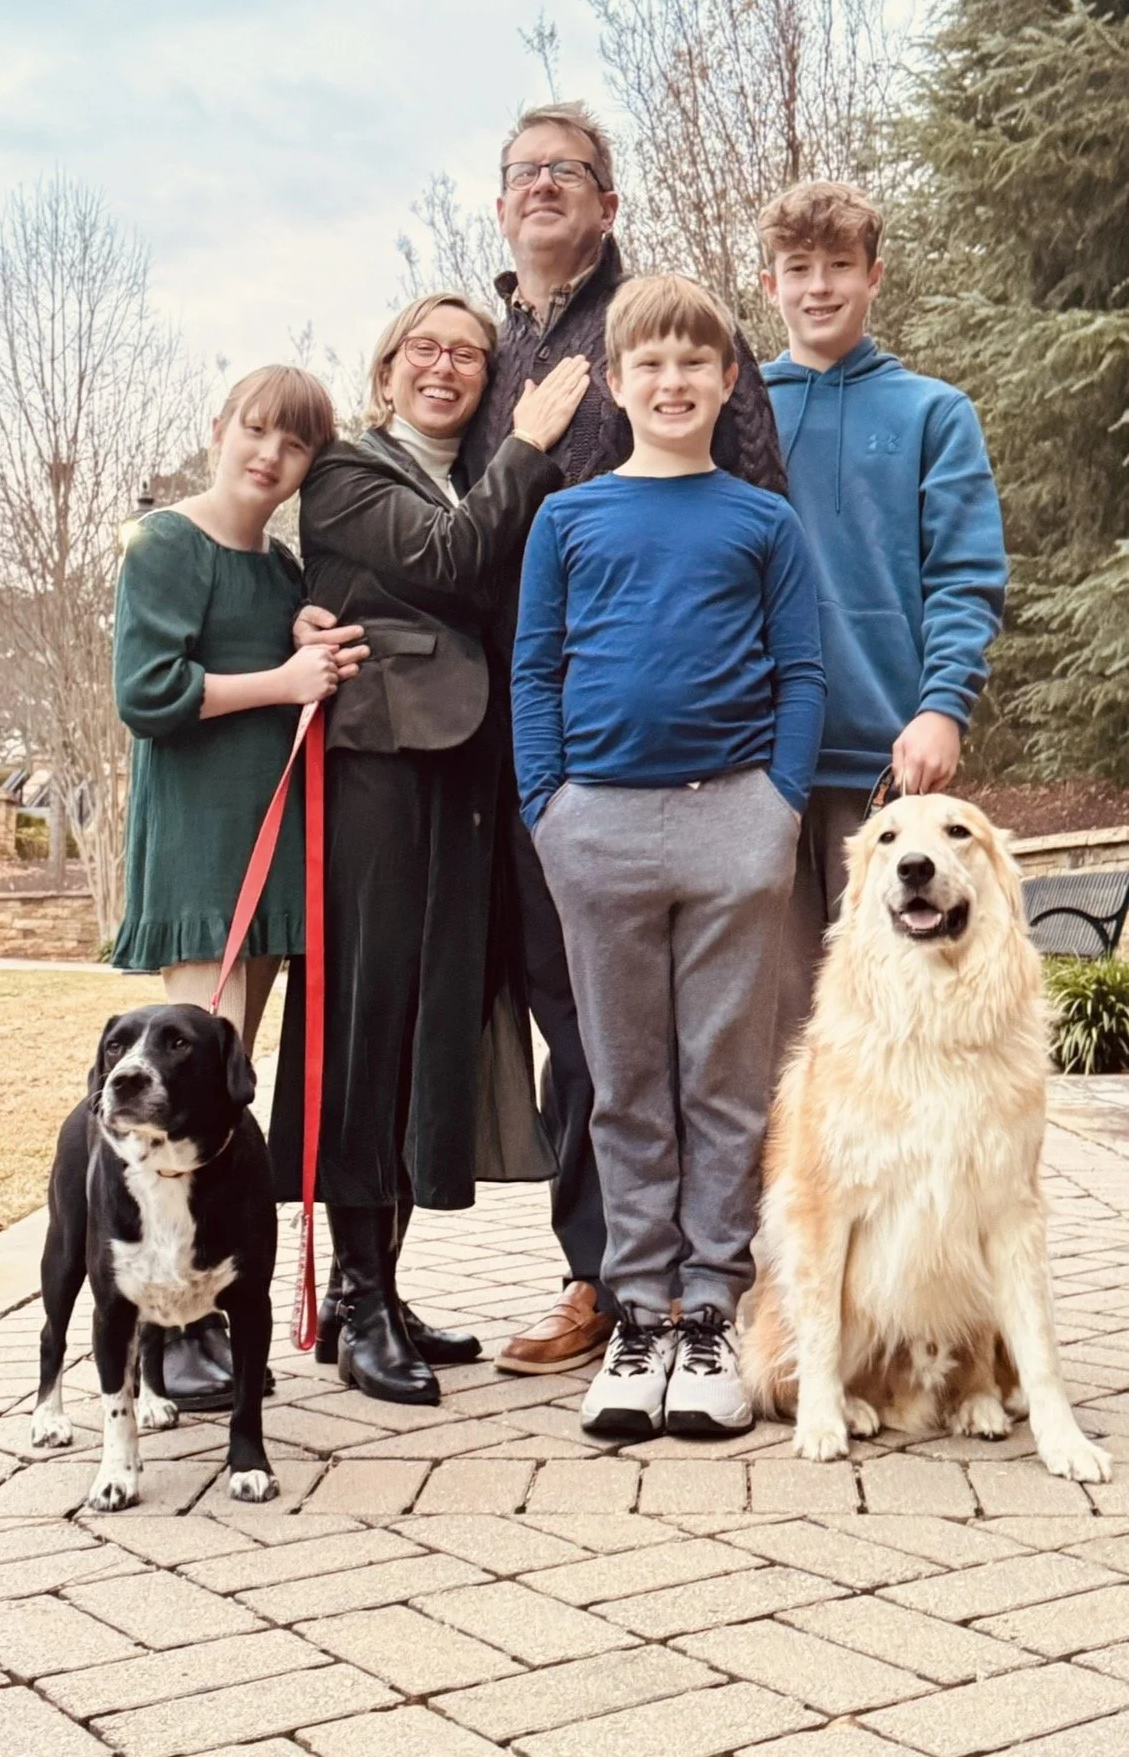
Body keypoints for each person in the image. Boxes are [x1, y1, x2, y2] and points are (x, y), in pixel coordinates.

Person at [462, 101, 790, 1379]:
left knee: (705, 1041)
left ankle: (708, 1283)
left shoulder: (666, 326)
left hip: (699, 764)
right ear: (500, 204)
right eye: (523, 171)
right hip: (537, 751)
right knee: (580, 1026)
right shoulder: (487, 353)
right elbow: (448, 519)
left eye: (570, 171)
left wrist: (768, 779)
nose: (543, 186)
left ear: (609, 203)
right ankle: (605, 1274)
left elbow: (758, 509)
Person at [512, 273, 824, 1439]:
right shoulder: (568, 519)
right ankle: (638, 1310)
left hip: (733, 819)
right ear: (616, 380)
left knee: (723, 1078)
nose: (673, 379)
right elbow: (534, 668)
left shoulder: (762, 521)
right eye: (650, 361)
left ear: (729, 379)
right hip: (596, 824)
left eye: (696, 361)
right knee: (625, 1078)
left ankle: (709, 1314)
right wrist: (549, 805)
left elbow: (801, 669)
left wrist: (777, 806)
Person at [268, 294, 589, 1407]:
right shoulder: (346, 472)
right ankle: (356, 1303)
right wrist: (529, 443)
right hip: (377, 775)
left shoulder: (477, 478)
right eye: (425, 348)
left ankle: (382, 1289)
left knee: (423, 1029)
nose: (445, 366)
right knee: (367, 1024)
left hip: (468, 781)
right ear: (387, 368)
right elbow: (447, 558)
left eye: (468, 353)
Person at [112, 364, 364, 1407]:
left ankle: (204, 1302)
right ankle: (162, 1328)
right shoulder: (167, 542)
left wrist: (303, 634)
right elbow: (148, 691)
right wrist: (282, 679)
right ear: (219, 428)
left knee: (223, 1095)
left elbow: (286, 653)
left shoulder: (278, 566)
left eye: (294, 444)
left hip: (269, 852)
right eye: (256, 431)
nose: (271, 455)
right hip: (203, 849)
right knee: (171, 1099)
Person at [759, 181, 1007, 1058]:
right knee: (775, 1035)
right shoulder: (733, 410)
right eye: (798, 268)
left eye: (838, 265)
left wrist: (942, 705)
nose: (818, 286)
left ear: (874, 276)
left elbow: (966, 576)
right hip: (758, 764)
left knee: (893, 1025)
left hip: (888, 772)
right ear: (769, 284)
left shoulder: (933, 413)